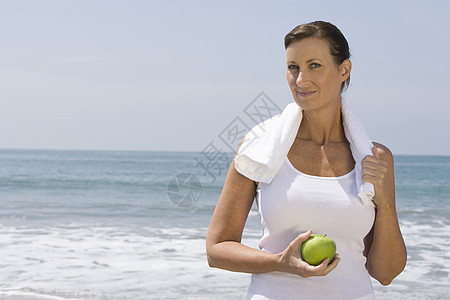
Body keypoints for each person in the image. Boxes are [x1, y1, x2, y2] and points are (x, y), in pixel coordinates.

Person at [206, 21, 407, 299]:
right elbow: (217, 249)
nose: (300, 80)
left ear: (344, 70)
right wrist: (280, 263)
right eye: (293, 67)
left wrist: (384, 203)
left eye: (314, 65)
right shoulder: (260, 146)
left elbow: (386, 273)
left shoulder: (374, 158)